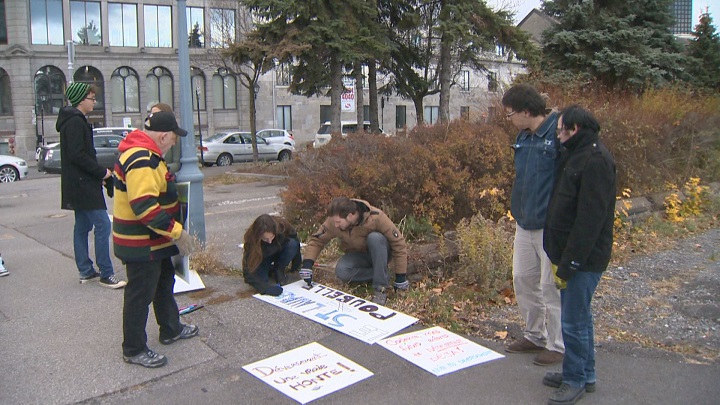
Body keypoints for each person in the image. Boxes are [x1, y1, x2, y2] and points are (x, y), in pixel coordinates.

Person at [112, 111, 199, 368]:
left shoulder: (146, 154)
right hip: (142, 243)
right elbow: (144, 206)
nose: (174, 143)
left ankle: (171, 328)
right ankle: (134, 349)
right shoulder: (142, 159)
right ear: (163, 136)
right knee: (140, 295)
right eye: (173, 138)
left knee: (163, 283)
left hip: (153, 240)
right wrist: (177, 232)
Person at [542, 105, 616, 405]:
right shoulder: (575, 154)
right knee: (580, 317)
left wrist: (570, 262)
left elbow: (590, 220)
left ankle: (574, 380)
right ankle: (586, 373)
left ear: (575, 129)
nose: (558, 135)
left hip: (583, 259)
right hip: (568, 254)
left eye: (561, 130)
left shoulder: (596, 161)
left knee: (572, 321)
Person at [501, 83, 564, 366]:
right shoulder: (523, 137)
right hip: (524, 222)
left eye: (510, 113)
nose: (509, 119)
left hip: (550, 226)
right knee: (523, 280)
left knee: (551, 286)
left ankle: (557, 344)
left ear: (526, 111)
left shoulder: (557, 134)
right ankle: (535, 334)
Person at [56, 82, 126, 289]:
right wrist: (101, 172)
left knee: (82, 226)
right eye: (91, 98)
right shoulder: (75, 122)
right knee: (103, 225)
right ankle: (106, 273)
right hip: (83, 184)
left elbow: (78, 155)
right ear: (80, 100)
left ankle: (86, 271)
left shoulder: (72, 120)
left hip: (78, 183)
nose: (94, 102)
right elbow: (78, 155)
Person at [300, 197, 408, 305]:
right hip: (357, 256)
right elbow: (317, 240)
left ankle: (381, 288)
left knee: (375, 238)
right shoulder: (335, 219)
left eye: (338, 222)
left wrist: (401, 277)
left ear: (350, 216)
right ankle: (382, 274)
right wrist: (307, 265)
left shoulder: (376, 217)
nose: (336, 225)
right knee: (342, 271)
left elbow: (398, 243)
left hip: (380, 253)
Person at [242, 214, 302, 295]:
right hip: (264, 257)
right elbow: (247, 272)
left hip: (280, 251)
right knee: (261, 280)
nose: (269, 241)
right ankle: (269, 269)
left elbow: (296, 243)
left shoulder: (283, 226)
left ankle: (278, 269)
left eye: (272, 237)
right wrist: (265, 289)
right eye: (265, 239)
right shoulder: (251, 239)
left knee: (292, 244)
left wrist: (296, 266)